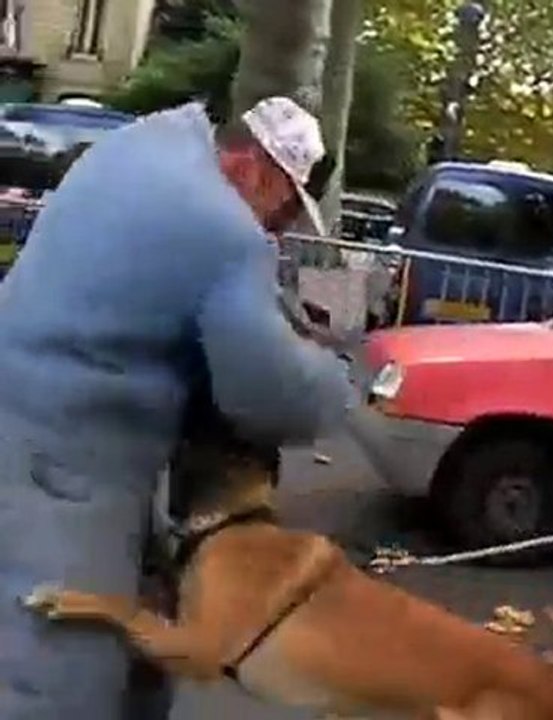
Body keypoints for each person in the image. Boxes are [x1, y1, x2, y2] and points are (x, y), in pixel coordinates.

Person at [0, 97, 356, 719]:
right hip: (66, 462)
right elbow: (268, 392)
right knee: (62, 663)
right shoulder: (226, 233)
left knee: (140, 630)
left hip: (31, 411)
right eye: (286, 208)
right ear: (257, 170)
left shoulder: (143, 144)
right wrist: (338, 383)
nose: (277, 228)